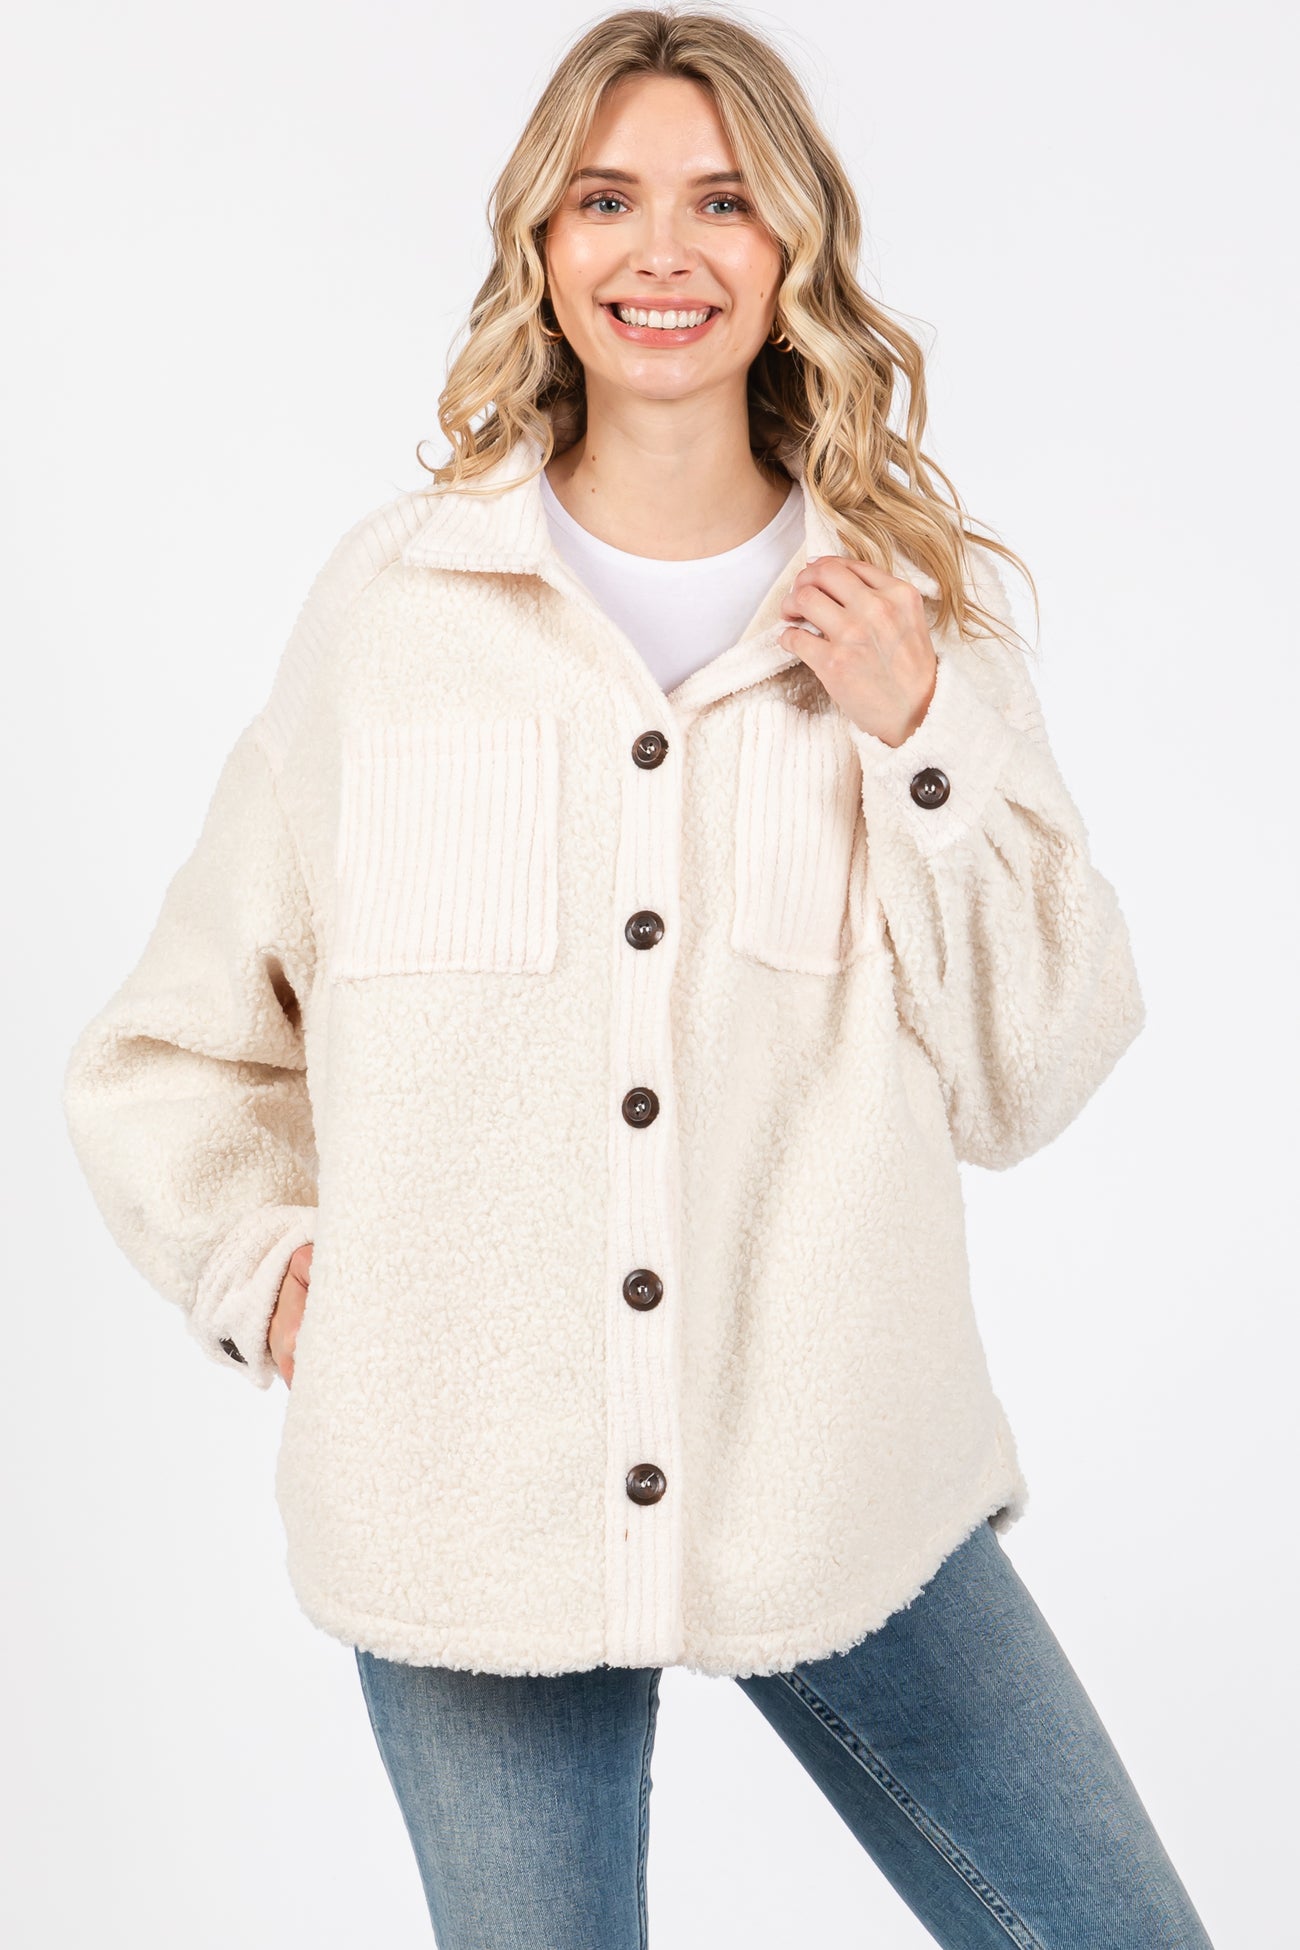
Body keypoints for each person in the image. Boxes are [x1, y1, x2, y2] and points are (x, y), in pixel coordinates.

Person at [61, 8, 1216, 1946]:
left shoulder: (915, 628)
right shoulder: (396, 612)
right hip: (465, 1496)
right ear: (541, 241)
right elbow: (173, 1044)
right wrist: (268, 1272)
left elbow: (1029, 1068)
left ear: (792, 248)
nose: (660, 250)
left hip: (840, 1474)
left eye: (720, 201)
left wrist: (919, 739)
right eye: (605, 200)